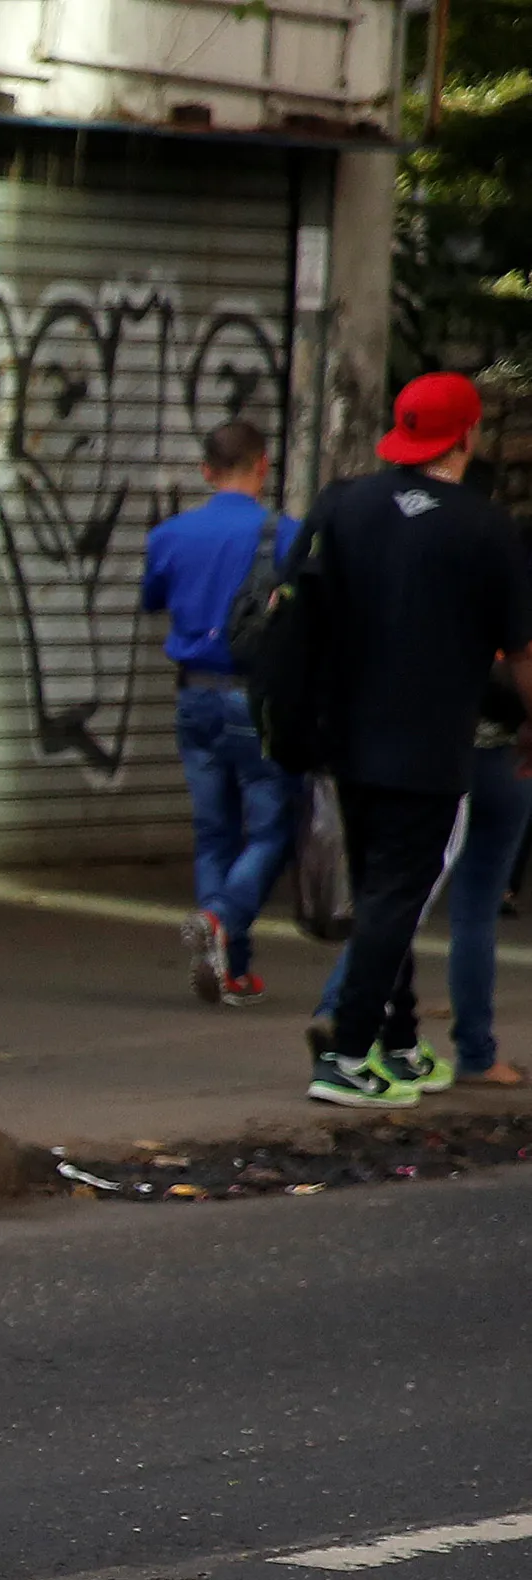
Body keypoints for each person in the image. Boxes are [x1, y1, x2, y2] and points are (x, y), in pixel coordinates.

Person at [298, 373, 532, 1108]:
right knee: (398, 897)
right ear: (466, 437)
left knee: (380, 890)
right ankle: (346, 1056)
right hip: (429, 746)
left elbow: (302, 602)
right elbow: (522, 650)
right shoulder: (486, 528)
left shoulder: (344, 505)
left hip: (347, 737)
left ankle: (398, 1045)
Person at [141, 419, 299, 1006]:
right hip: (254, 699)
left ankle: (230, 969)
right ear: (263, 465)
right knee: (272, 831)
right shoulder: (286, 535)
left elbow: (153, 599)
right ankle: (221, 918)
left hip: (193, 696)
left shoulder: (169, 535)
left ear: (206, 471)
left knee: (214, 834)